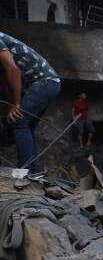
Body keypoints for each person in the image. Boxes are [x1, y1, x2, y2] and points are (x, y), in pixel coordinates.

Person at [0, 31, 61, 172]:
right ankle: (33, 173)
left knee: (19, 121)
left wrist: (16, 104)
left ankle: (24, 172)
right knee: (27, 126)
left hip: (43, 83)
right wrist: (13, 104)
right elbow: (6, 80)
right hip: (48, 83)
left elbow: (13, 71)